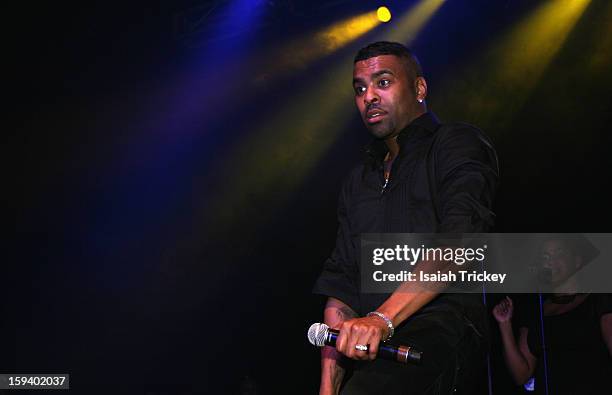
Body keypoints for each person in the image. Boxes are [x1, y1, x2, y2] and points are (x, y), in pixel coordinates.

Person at [313, 41, 499, 394]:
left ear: (419, 88)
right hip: (381, 348)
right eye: (360, 88)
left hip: (443, 329)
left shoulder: (455, 143)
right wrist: (328, 386)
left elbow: (460, 241)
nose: (369, 96)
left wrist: (382, 319)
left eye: (382, 82)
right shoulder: (359, 179)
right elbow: (342, 286)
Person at [493, 237, 612, 394]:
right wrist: (505, 324)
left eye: (558, 253)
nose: (550, 262)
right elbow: (521, 375)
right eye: (545, 257)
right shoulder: (535, 312)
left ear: (576, 261)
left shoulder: (599, 301)